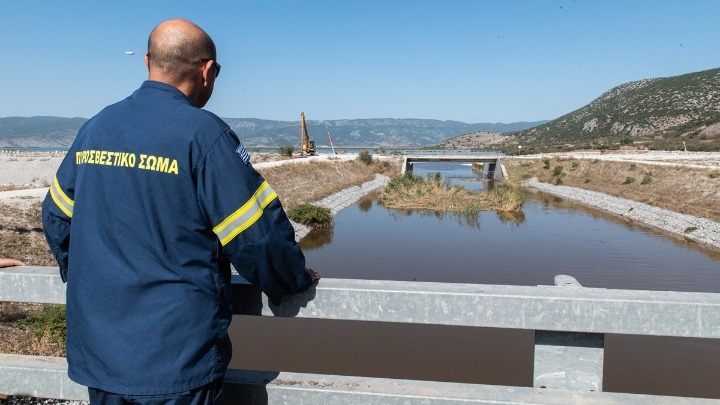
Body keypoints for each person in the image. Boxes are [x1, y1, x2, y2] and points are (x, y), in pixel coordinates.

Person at [42, 18, 319, 404]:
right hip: (175, 358)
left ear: (147, 63)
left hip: (101, 352)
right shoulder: (204, 136)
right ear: (206, 70)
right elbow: (257, 237)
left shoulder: (96, 128)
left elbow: (56, 216)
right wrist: (292, 280)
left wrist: (91, 278)